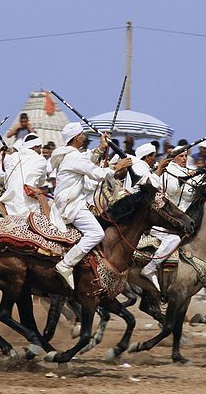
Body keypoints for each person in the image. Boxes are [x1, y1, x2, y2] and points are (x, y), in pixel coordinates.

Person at [50, 122, 132, 289]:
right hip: (71, 205)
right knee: (96, 233)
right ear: (76, 138)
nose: (84, 137)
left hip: (70, 202)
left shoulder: (71, 155)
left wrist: (101, 148)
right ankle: (66, 264)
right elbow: (98, 174)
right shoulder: (73, 157)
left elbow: (87, 161)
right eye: (82, 135)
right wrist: (118, 167)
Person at [130, 143, 179, 289]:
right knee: (174, 239)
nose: (155, 159)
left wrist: (165, 162)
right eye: (153, 156)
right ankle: (150, 267)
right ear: (147, 157)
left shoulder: (143, 167)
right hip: (139, 217)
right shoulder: (139, 167)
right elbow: (149, 187)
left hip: (144, 215)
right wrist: (158, 170)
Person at [0, 133, 47, 216]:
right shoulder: (41, 160)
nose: (40, 151)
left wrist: (8, 160)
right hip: (31, 208)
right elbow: (41, 182)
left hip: (8, 206)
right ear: (35, 146)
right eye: (40, 148)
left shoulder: (10, 158)